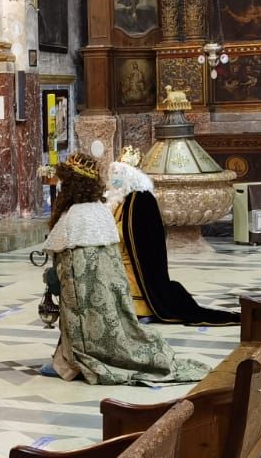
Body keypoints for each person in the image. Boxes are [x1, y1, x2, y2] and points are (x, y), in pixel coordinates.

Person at [42, 154, 208, 386]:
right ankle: (68, 356)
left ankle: (72, 361)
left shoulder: (76, 216)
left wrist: (54, 276)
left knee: (80, 321)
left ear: (72, 185)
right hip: (110, 291)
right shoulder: (99, 210)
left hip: (83, 295)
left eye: (64, 183)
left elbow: (68, 262)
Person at [105, 159, 239, 326]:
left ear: (128, 178)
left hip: (132, 263)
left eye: (117, 176)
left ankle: (141, 310)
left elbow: (137, 233)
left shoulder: (140, 199)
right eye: (112, 176)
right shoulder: (120, 201)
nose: (113, 181)